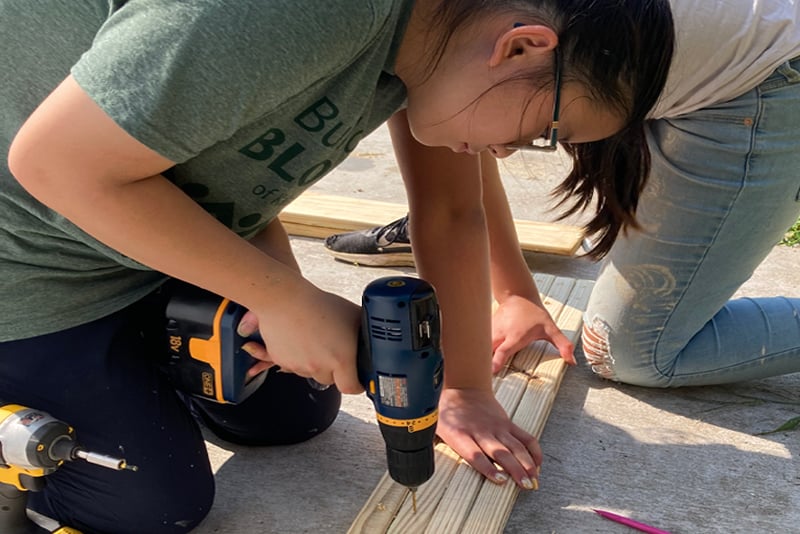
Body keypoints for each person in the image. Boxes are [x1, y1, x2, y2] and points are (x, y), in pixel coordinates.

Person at [1, 0, 675, 532]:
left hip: (135, 226)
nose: (509, 154)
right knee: (148, 503)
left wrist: (463, 388)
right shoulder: (300, 11)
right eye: (543, 133)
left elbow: (449, 213)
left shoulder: (434, 43)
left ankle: (115, 365)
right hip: (29, 258)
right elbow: (52, 164)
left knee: (295, 408)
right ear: (522, 45)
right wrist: (288, 301)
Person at [329, 0, 800, 391]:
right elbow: (462, 155)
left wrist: (465, 389)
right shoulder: (439, 32)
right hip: (693, 49)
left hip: (766, 78)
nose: (503, 154)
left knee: (635, 352)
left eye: (545, 134)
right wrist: (516, 294)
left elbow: (464, 165)